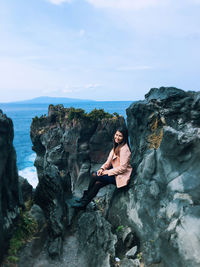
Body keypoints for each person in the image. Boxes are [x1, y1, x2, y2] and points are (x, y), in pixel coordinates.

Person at [72, 127, 132, 209]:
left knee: (94, 175)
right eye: (116, 135)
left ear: (124, 137)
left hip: (121, 177)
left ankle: (84, 199)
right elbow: (108, 162)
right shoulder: (116, 147)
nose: (117, 137)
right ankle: (84, 203)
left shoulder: (125, 149)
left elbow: (123, 168)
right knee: (97, 184)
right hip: (115, 174)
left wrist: (106, 172)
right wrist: (102, 169)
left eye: (120, 136)